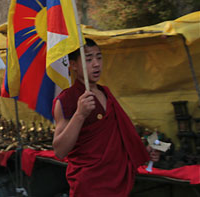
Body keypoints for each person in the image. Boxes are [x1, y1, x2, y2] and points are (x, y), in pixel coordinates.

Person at [52, 38, 149, 196]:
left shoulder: (106, 93)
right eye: (88, 59)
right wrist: (79, 114)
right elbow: (59, 150)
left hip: (118, 179)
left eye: (99, 57)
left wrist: (145, 148)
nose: (96, 64)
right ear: (74, 65)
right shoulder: (67, 100)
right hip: (90, 183)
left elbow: (122, 135)